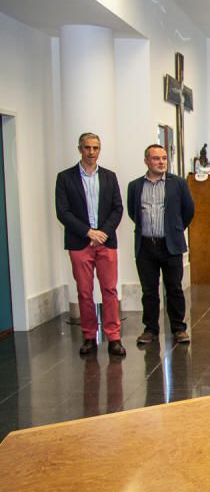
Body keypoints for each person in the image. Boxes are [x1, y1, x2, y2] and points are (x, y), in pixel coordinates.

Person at [55, 132, 126, 357]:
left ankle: (114, 337)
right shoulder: (65, 178)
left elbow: (118, 208)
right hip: (79, 243)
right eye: (87, 147)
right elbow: (63, 212)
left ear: (99, 150)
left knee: (109, 290)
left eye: (95, 148)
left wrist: (103, 232)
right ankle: (89, 336)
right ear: (80, 149)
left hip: (106, 242)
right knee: (84, 292)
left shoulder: (109, 177)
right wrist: (88, 232)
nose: (91, 152)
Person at [127, 144, 195, 346]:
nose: (161, 162)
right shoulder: (135, 186)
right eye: (156, 158)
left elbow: (188, 211)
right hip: (146, 245)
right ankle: (150, 329)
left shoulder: (178, 184)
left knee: (174, 288)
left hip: (171, 245)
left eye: (164, 158)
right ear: (147, 161)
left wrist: (174, 229)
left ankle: (178, 328)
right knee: (149, 290)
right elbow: (133, 212)